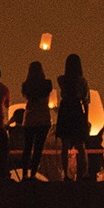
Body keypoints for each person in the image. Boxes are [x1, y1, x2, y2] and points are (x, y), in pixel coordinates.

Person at [55, 54, 90, 182]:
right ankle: (81, 174)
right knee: (80, 145)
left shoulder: (61, 80)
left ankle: (66, 174)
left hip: (65, 110)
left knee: (65, 145)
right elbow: (86, 101)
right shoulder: (82, 81)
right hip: (77, 110)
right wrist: (86, 119)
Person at [17, 61, 53, 180]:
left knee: (27, 148)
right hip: (43, 118)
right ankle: (33, 174)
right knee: (38, 148)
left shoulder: (26, 85)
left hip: (30, 118)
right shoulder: (47, 84)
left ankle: (24, 174)